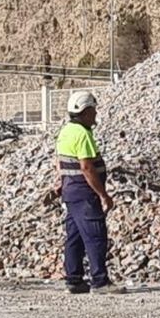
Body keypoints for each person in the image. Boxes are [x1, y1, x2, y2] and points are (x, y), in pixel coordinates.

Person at [58, 90, 123, 294]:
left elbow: (59, 161)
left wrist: (60, 184)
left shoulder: (66, 131)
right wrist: (103, 195)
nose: (95, 114)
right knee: (95, 236)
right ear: (85, 111)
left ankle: (74, 280)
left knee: (75, 237)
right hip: (84, 193)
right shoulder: (82, 134)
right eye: (93, 110)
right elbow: (87, 167)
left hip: (70, 191)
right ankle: (100, 281)